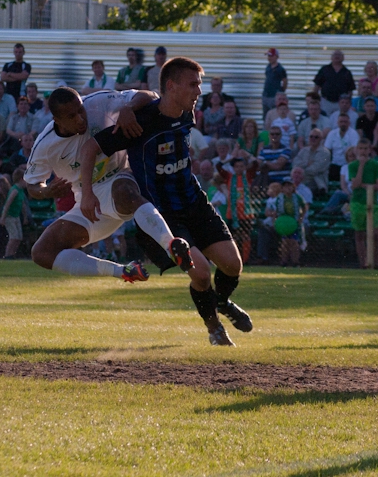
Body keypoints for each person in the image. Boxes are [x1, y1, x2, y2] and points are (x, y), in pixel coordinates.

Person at [80, 58, 252, 347]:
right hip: (161, 214)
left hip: (194, 202)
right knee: (200, 272)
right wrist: (86, 192)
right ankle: (215, 329)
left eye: (200, 84)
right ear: (171, 86)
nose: (200, 91)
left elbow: (148, 95)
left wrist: (129, 105)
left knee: (233, 265)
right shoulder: (140, 122)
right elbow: (89, 148)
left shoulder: (187, 112)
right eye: (193, 84)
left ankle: (221, 302)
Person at [24, 87, 191, 289]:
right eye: (71, 116)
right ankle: (123, 271)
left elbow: (151, 95)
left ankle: (171, 246)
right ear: (57, 120)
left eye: (80, 110)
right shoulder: (45, 144)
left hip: (123, 175)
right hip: (90, 201)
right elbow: (32, 185)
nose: (80, 118)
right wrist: (46, 191)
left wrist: (128, 108)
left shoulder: (98, 102)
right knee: (42, 253)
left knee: (123, 192)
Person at [348, 138, 378, 269]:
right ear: (357, 150)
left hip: (372, 203)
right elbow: (355, 184)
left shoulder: (376, 165)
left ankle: (375, 262)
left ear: (369, 150)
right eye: (361, 149)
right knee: (359, 234)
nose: (363, 151)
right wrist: (361, 165)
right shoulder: (352, 166)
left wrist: (365, 186)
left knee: (375, 234)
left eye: (365, 149)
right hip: (358, 202)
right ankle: (363, 263)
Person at [274, 178, 307, 267]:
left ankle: (295, 261)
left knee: (294, 242)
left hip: (294, 223)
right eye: (285, 186)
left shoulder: (297, 197)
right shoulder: (280, 198)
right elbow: (276, 211)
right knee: (285, 242)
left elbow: (304, 207)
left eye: (289, 186)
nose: (287, 188)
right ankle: (284, 261)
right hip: (285, 224)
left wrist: (301, 217)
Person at [313, 50, 356, 115]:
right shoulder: (324, 69)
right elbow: (317, 86)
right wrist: (315, 100)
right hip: (325, 102)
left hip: (341, 103)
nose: (337, 56)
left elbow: (350, 90)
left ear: (343, 58)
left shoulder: (347, 72)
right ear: (331, 57)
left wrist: (347, 103)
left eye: (339, 55)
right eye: (335, 55)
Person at [0, 168, 26, 259]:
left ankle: (12, 254)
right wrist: (3, 218)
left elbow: (22, 204)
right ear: (21, 179)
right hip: (10, 217)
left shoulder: (21, 191)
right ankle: (7, 255)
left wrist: (25, 217)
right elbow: (7, 204)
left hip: (16, 216)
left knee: (18, 237)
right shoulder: (15, 190)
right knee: (13, 237)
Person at [292, 128, 331, 196]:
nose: (313, 139)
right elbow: (294, 163)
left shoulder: (325, 153)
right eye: (311, 136)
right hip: (300, 180)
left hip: (317, 182)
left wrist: (300, 172)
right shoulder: (303, 150)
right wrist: (307, 163)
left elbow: (315, 169)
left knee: (301, 192)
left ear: (321, 139)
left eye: (316, 137)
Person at [324, 112, 359, 182]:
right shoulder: (332, 133)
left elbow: (355, 150)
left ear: (349, 123)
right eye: (341, 122)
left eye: (345, 122)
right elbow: (327, 150)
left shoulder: (353, 134)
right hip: (334, 164)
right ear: (337, 123)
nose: (343, 124)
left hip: (348, 165)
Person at [262, 48, 288, 119]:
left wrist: (281, 91)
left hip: (274, 96)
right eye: (268, 56)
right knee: (266, 116)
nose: (269, 58)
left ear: (276, 56)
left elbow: (285, 81)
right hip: (266, 95)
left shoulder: (280, 69)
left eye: (271, 56)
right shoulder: (268, 67)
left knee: (274, 115)